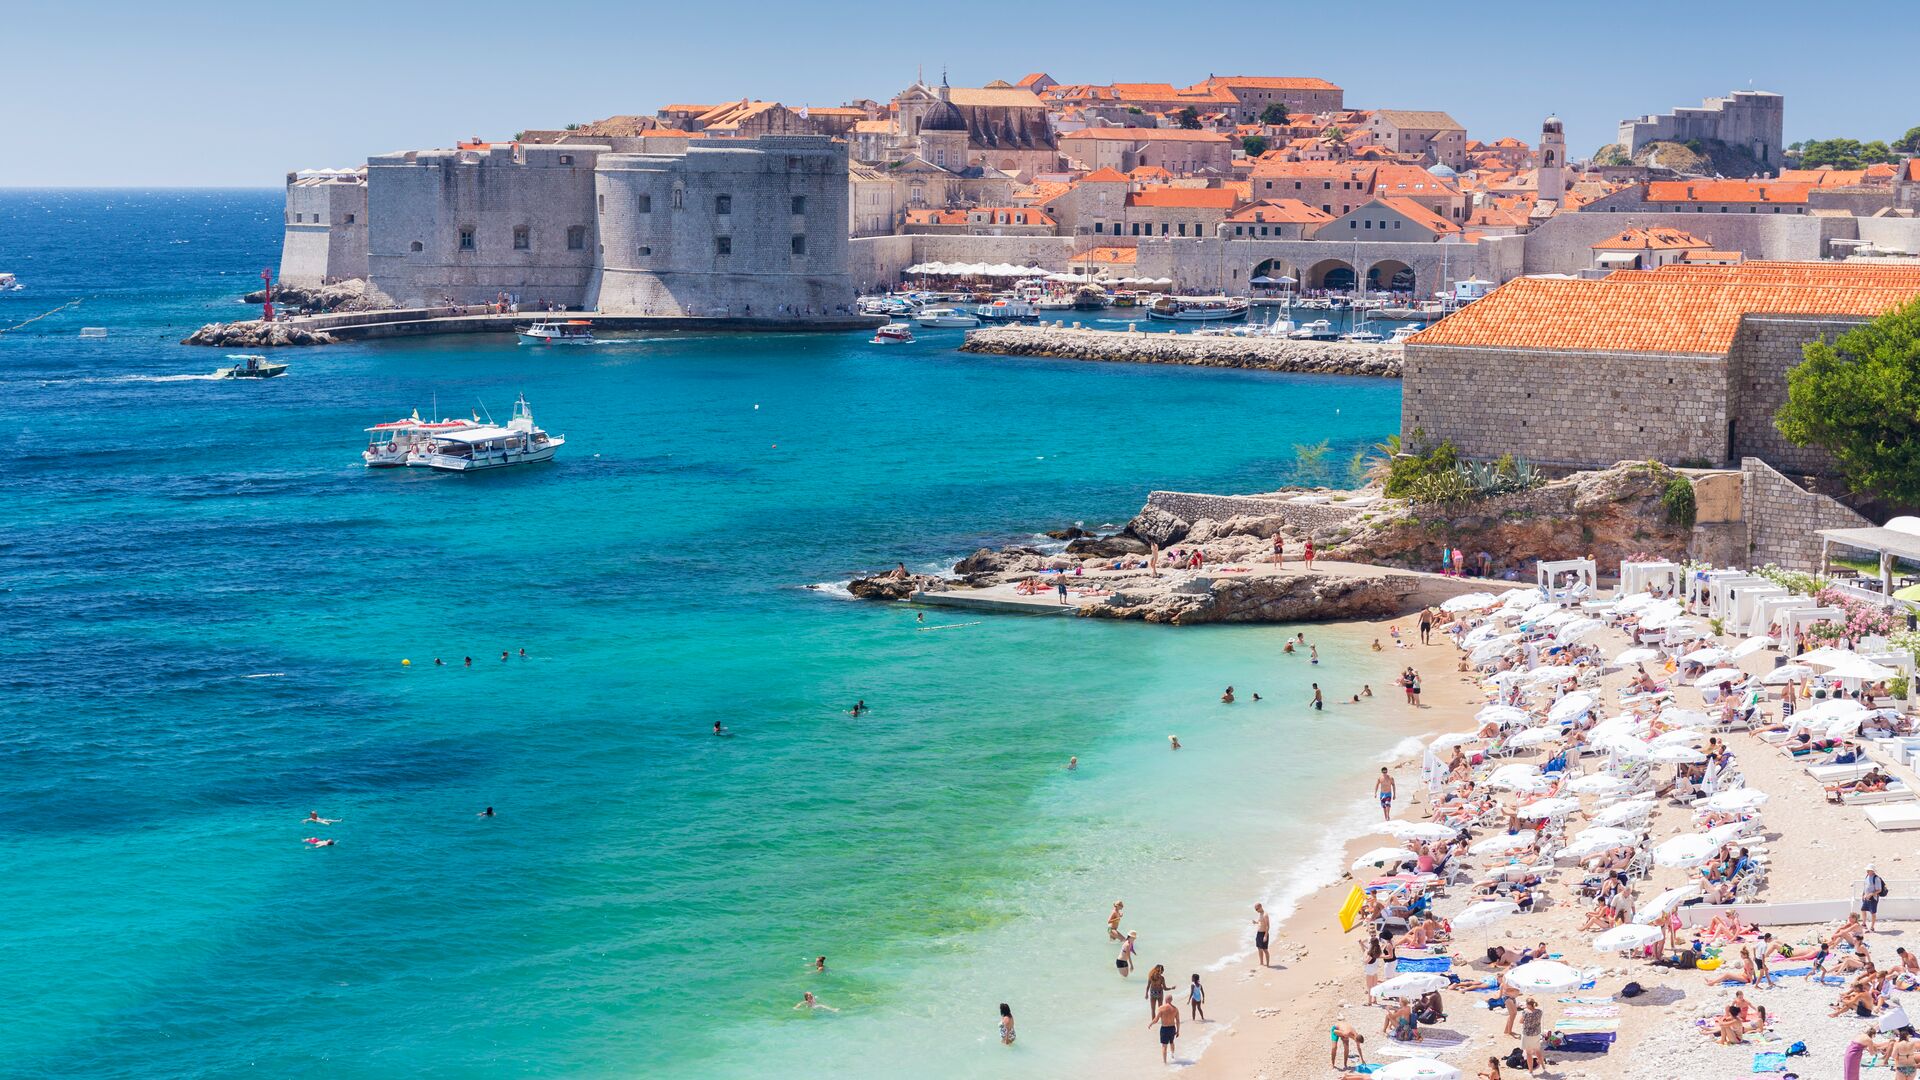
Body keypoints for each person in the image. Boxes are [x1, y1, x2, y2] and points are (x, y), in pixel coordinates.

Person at [1150, 995, 1181, 1064]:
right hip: (1172, 1028)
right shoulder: (1175, 1009)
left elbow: (1156, 1020)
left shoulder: (1161, 1008)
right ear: (1171, 1000)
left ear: (1165, 1000)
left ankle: (1165, 1062)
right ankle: (1173, 1055)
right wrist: (1178, 1030)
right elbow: (1178, 1021)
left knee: (1164, 1046)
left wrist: (1151, 1024)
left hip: (1164, 1028)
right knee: (1172, 1042)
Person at [1520, 998, 1545, 1072]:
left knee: (1528, 1053)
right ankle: (1543, 1066)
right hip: (1536, 1033)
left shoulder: (1525, 1012)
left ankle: (1530, 1071)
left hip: (1527, 1034)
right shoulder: (1539, 1011)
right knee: (1537, 1050)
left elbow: (1521, 1021)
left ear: (1528, 1004)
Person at [1864, 863, 1889, 931]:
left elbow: (1879, 890)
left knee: (1873, 913)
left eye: (1869, 870)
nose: (1867, 871)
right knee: (1863, 910)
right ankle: (1864, 924)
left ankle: (1872, 927)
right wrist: (1863, 894)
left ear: (1872, 871)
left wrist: (1871, 894)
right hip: (1866, 897)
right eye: (1867, 870)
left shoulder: (1876, 878)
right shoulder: (1867, 876)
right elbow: (1866, 886)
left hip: (1873, 898)